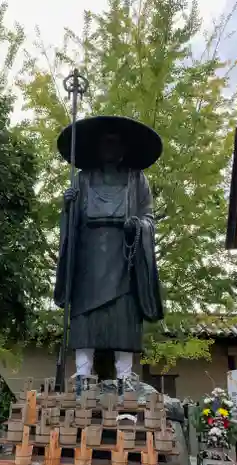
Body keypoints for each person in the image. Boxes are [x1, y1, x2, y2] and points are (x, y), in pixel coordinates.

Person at [54, 116, 164, 397]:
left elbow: (149, 217)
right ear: (97, 147)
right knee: (85, 314)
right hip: (88, 255)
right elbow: (72, 222)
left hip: (124, 254)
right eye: (106, 143)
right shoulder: (83, 178)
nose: (111, 149)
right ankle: (82, 372)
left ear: (124, 149)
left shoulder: (136, 178)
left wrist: (137, 226)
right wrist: (68, 206)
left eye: (116, 144)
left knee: (124, 313)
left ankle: (125, 376)